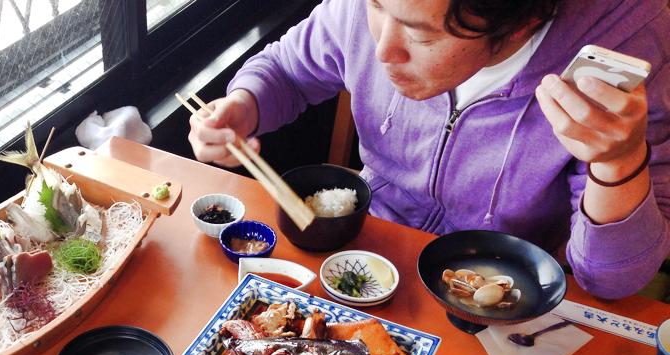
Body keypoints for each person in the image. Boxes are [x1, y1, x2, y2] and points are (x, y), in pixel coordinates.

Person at [188, 0, 670, 299]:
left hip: (505, 285)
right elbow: (288, 69)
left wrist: (619, 163)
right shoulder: (370, 15)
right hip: (370, 244)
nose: (383, 50)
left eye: (421, 34)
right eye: (375, 6)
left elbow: (613, 280)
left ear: (522, 23)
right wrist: (243, 106)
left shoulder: (627, 51)